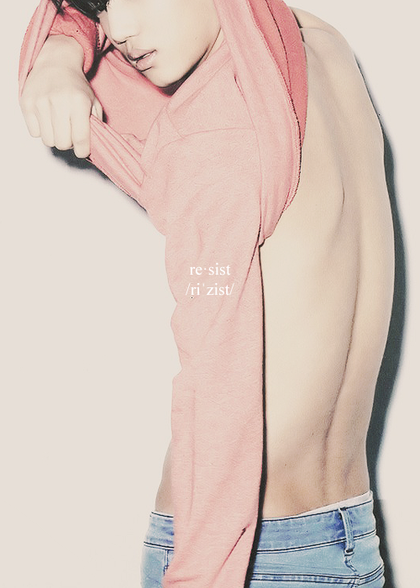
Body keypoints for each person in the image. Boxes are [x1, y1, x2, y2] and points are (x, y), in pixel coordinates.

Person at [19, 1, 394, 587]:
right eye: (102, 6)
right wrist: (63, 48)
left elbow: (217, 393)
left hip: (247, 559)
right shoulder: (322, 47)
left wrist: (57, 52)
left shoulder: (214, 133)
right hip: (351, 541)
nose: (119, 31)